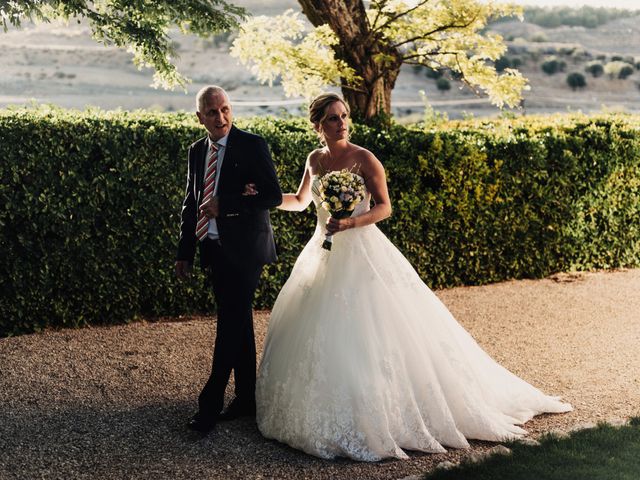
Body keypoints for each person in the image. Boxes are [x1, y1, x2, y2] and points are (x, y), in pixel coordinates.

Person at [254, 93, 572, 461]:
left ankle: (381, 412)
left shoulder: (364, 158)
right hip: (322, 252)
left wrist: (351, 221)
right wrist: (264, 197)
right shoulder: (315, 159)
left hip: (361, 250)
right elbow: (300, 200)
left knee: (371, 333)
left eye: (343, 116)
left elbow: (384, 207)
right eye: (332, 118)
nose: (341, 123)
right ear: (318, 125)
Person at [176, 85, 282, 435]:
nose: (220, 118)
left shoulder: (252, 145)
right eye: (211, 112)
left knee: (230, 321)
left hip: (248, 248)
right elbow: (191, 203)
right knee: (238, 321)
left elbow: (271, 195)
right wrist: (185, 253)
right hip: (214, 249)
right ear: (199, 117)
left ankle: (210, 403)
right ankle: (247, 398)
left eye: (224, 109)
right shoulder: (195, 151)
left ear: (230, 109)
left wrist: (229, 202)